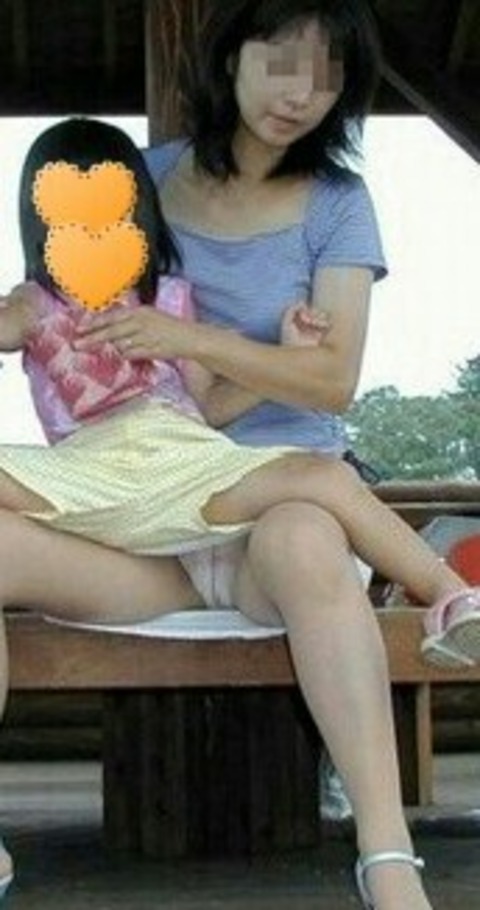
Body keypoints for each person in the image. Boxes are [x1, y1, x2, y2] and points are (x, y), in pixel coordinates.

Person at [0, 16, 475, 910]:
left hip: (271, 515)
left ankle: (387, 856)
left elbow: (330, 379)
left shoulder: (337, 202)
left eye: (328, 76)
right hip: (135, 530)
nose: (302, 92)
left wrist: (197, 340)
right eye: (281, 62)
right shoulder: (136, 181)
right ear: (231, 59)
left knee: (304, 527)